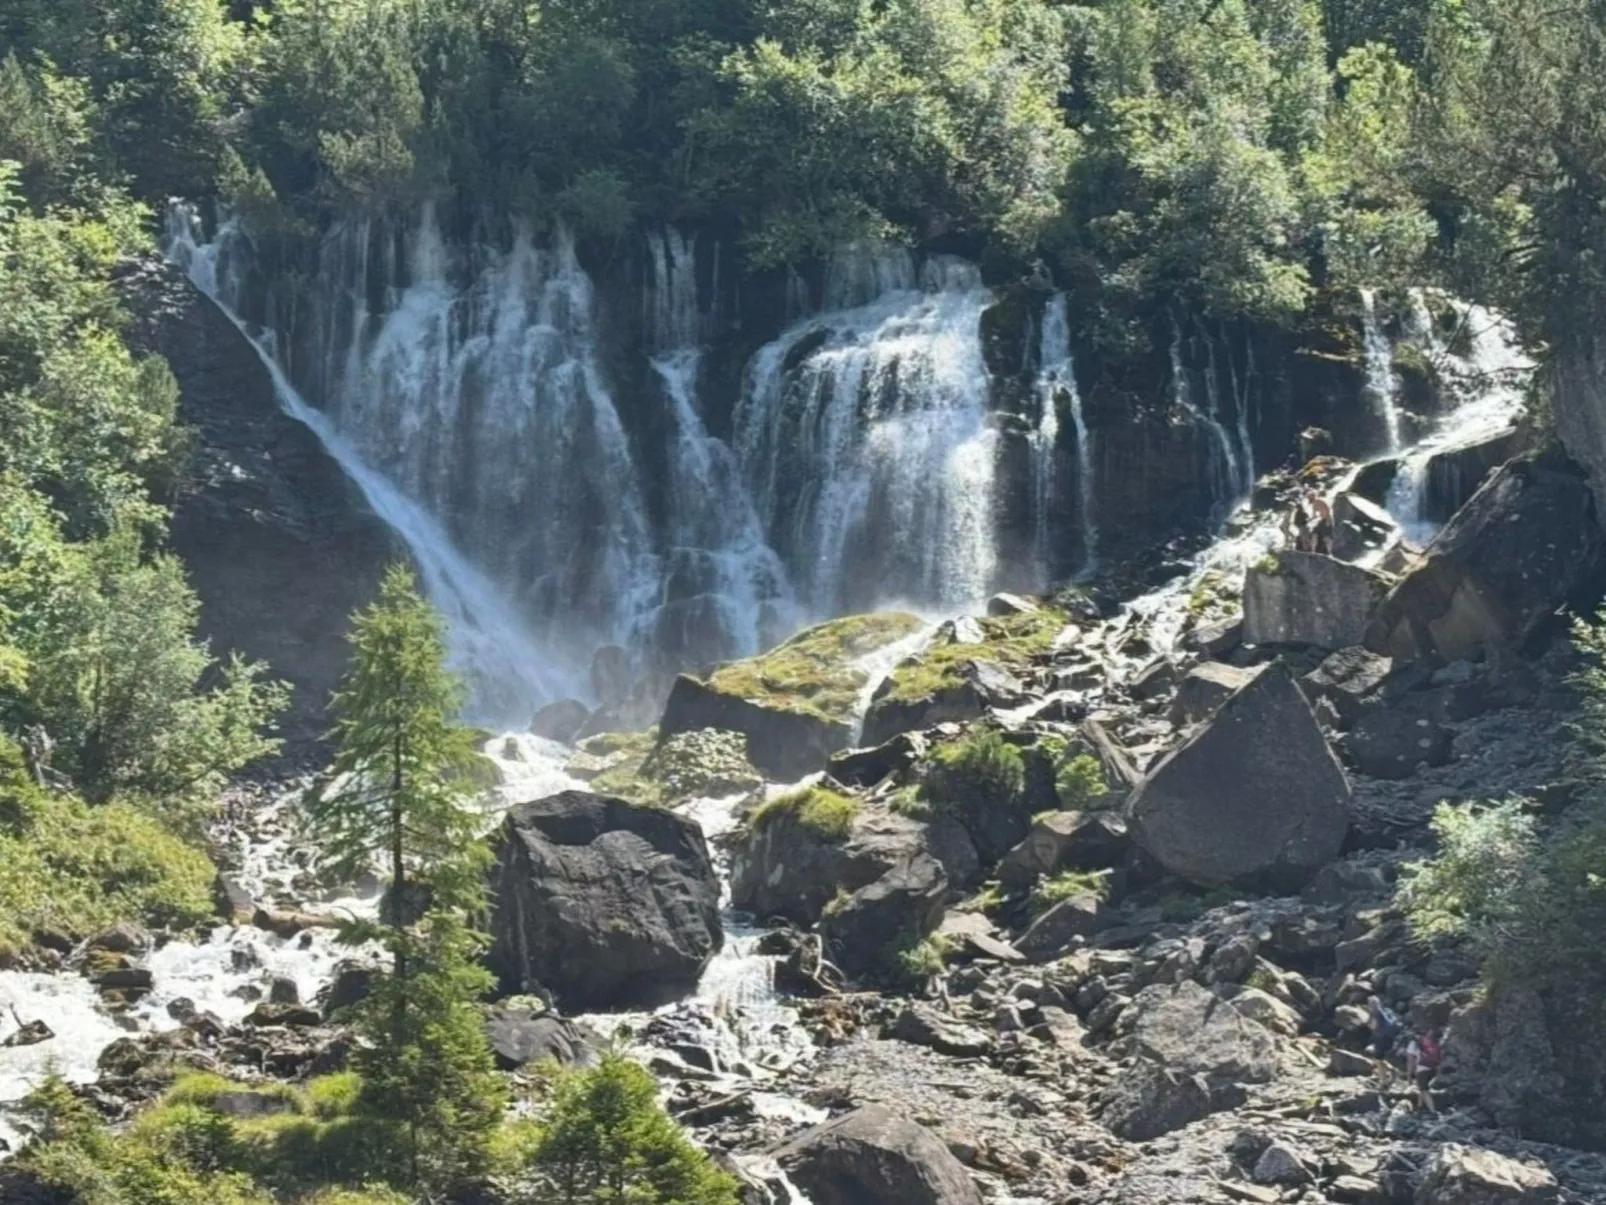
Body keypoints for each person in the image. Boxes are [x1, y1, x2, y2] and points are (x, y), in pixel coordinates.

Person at [1405, 1029, 1443, 1112]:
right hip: (1433, 1069)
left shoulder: (1414, 1043)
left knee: (1424, 1090)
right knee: (1420, 1088)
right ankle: (1420, 1106)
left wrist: (1409, 1076)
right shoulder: (1433, 1041)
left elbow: (1410, 1061)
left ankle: (1433, 1111)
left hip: (1422, 1070)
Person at [1367, 995, 1402, 1060]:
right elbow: (1370, 1025)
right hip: (1382, 1037)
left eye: (1374, 1004)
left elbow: (1388, 1026)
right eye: (1371, 1004)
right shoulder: (1376, 1013)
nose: (1373, 1007)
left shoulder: (1381, 1013)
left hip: (1388, 1038)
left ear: (1378, 1004)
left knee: (1378, 1055)